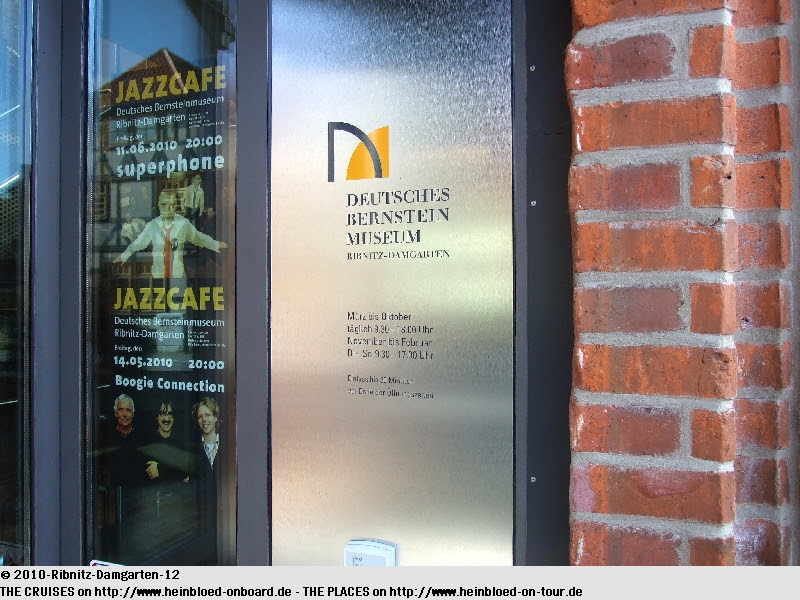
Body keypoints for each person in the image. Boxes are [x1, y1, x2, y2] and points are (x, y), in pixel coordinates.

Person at [113, 190, 228, 280]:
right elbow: (139, 243)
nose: (168, 209)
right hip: (158, 277)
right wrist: (124, 256)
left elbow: (199, 238)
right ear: (159, 205)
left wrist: (215, 244)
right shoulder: (152, 226)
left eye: (172, 205)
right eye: (164, 204)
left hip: (177, 276)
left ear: (176, 206)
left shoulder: (183, 224)